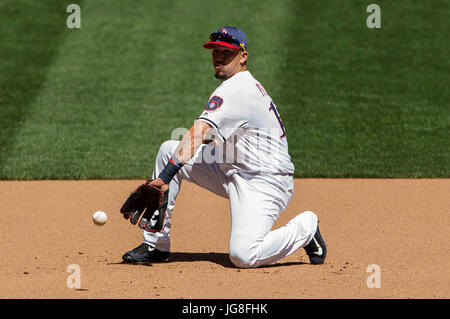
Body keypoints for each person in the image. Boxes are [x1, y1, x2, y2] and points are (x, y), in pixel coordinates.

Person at [121, 26, 327, 268]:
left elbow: (197, 133)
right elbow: (210, 133)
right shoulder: (238, 85)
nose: (219, 57)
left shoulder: (237, 89)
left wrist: (165, 177)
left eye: (226, 52)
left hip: (263, 181)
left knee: (244, 255)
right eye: (215, 51)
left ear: (243, 56)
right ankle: (156, 243)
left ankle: (305, 227)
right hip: (230, 165)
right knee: (169, 149)